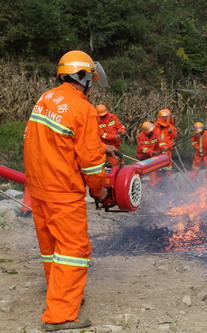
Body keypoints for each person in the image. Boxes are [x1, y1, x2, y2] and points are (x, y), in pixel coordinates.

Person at [24, 50, 111, 331]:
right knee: (74, 249)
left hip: (39, 188)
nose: (91, 85)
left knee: (51, 248)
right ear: (83, 76)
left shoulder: (46, 98)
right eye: (90, 79)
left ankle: (60, 293)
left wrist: (101, 146)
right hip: (63, 190)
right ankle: (60, 315)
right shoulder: (83, 108)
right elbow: (91, 164)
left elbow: (56, 140)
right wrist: (99, 191)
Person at [136, 121, 167, 186]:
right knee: (141, 170)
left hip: (152, 155)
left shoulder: (156, 133)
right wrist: (152, 152)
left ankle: (152, 184)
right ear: (145, 131)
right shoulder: (140, 136)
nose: (151, 132)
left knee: (153, 169)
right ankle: (138, 183)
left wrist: (164, 147)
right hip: (142, 156)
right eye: (150, 131)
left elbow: (160, 141)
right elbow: (142, 148)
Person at [154, 109, 177, 179]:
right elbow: (157, 137)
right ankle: (158, 182)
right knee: (159, 166)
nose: (166, 118)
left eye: (167, 117)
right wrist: (163, 146)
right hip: (159, 150)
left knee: (168, 167)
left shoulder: (171, 126)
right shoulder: (156, 126)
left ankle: (167, 181)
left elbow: (174, 136)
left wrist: (171, 132)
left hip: (168, 149)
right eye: (165, 117)